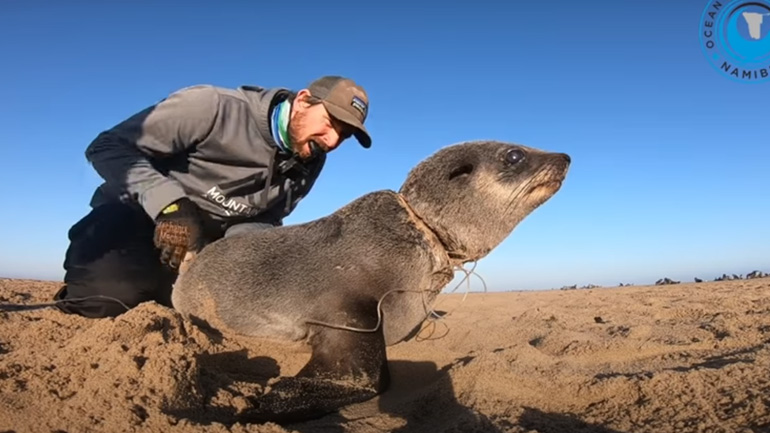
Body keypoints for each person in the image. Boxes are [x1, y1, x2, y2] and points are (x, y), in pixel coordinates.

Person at [53, 75, 372, 318]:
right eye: (331, 124)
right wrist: (170, 205)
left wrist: (248, 256)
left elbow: (266, 218)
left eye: (343, 136)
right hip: (134, 219)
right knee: (110, 298)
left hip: (202, 252)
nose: (332, 142)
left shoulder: (311, 160)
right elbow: (106, 147)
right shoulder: (212, 106)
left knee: (223, 315)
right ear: (303, 101)